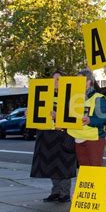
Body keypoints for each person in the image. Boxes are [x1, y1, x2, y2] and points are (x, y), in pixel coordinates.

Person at [31, 70, 77, 203]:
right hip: (47, 134)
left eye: (59, 79)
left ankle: (65, 193)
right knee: (50, 165)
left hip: (64, 134)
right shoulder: (44, 95)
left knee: (64, 165)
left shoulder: (71, 96)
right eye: (54, 79)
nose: (56, 82)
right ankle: (55, 191)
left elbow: (74, 116)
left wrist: (59, 118)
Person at [68, 69, 106, 167]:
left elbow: (104, 117)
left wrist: (90, 120)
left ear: (88, 81)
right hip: (78, 137)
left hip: (94, 138)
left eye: (80, 80)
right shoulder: (74, 97)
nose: (77, 82)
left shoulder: (98, 97)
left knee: (95, 168)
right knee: (83, 168)